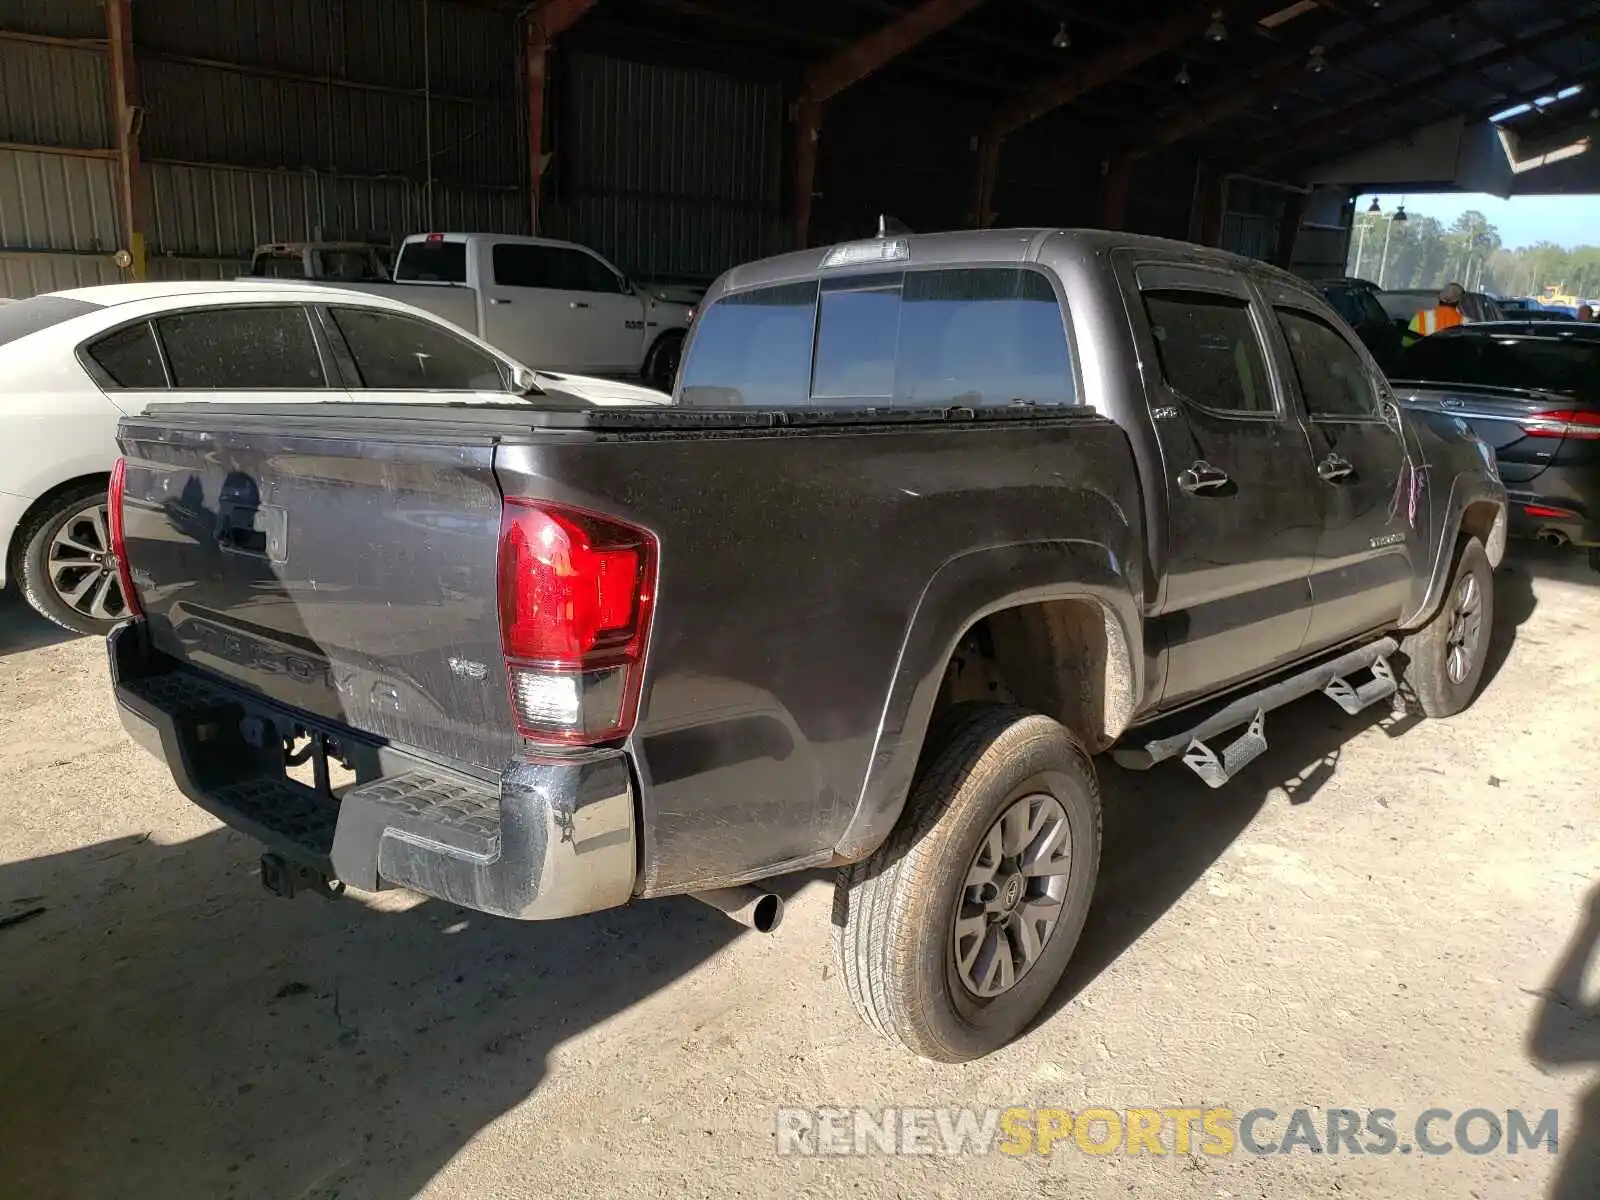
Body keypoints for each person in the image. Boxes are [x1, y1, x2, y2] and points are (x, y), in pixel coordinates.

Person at [1404, 282, 1467, 347]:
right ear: (1459, 302)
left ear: (1439, 297)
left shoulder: (1421, 317)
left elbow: (1406, 344)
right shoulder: (1465, 323)